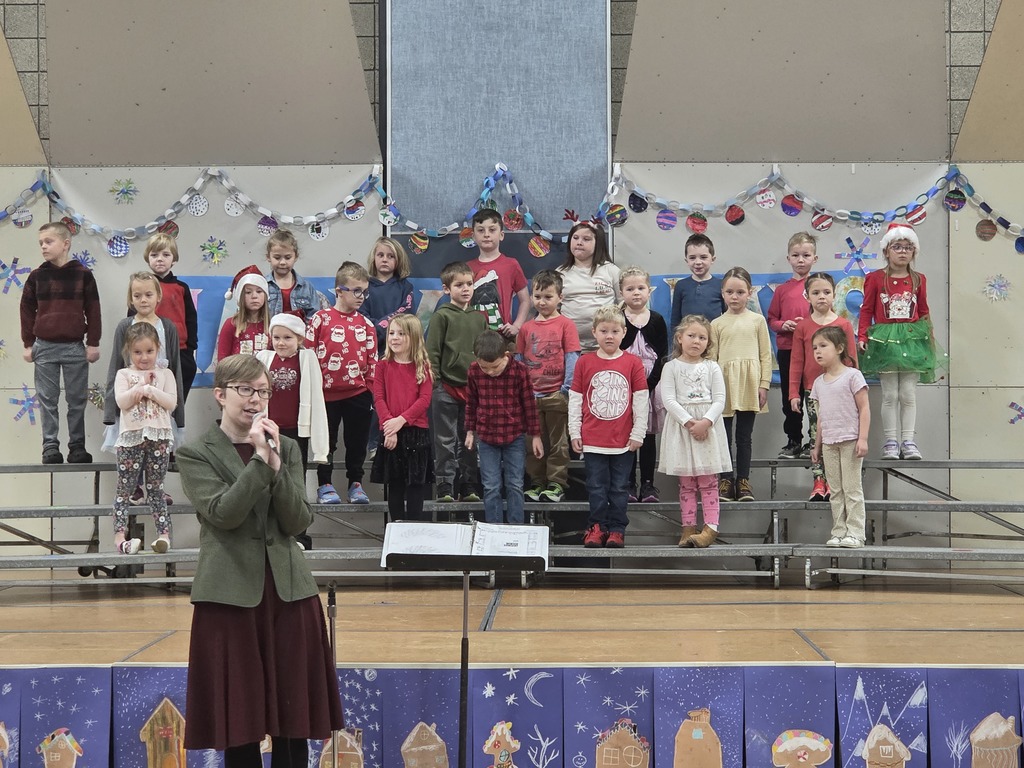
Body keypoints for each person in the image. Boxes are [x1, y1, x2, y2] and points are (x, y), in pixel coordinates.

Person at [177, 354, 343, 767]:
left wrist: (277, 463)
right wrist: (258, 460)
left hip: (289, 593)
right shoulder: (195, 453)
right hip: (229, 595)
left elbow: (297, 520)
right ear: (220, 395)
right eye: (246, 390)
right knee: (240, 722)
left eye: (263, 391)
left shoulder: (287, 447)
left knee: (293, 720)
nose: (256, 399)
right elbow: (223, 514)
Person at [858, 222, 945, 460]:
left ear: (914, 251)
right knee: (889, 395)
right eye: (897, 247)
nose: (903, 252)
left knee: (908, 393)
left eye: (908, 247)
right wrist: (863, 334)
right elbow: (866, 309)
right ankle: (890, 441)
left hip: (912, 339)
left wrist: (929, 338)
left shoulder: (919, 279)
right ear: (886, 251)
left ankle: (908, 441)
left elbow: (924, 310)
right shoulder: (875, 278)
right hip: (885, 341)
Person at [20, 221, 102, 464]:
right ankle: (50, 446)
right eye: (41, 243)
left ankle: (77, 446)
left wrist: (93, 342)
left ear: (65, 244)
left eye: (49, 241)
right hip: (44, 347)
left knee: (76, 400)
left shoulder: (83, 275)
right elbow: (26, 310)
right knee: (47, 400)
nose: (43, 247)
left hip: (74, 347)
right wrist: (28, 343)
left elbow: (93, 310)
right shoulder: (37, 277)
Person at [103, 272, 185, 505]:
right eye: (137, 295)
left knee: (156, 446)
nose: (143, 300)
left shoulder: (167, 327)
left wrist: (179, 413)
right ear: (130, 298)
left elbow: (175, 367)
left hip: (159, 398)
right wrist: (111, 411)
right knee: (134, 443)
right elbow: (115, 365)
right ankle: (135, 487)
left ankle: (156, 489)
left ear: (158, 296)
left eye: (148, 294)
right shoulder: (124, 326)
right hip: (132, 399)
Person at [569, 306, 648, 548]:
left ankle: (616, 530)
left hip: (623, 442)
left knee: (619, 488)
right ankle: (596, 527)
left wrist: (638, 433)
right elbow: (575, 399)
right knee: (596, 487)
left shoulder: (633, 363)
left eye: (615, 331)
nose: (609, 336)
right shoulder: (584, 362)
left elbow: (641, 400)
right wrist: (574, 431)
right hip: (593, 441)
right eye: (604, 331)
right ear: (594, 332)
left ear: (624, 332)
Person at [305, 261, 377, 505]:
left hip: (358, 394)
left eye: (364, 291)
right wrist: (313, 390)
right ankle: (324, 484)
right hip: (325, 395)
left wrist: (369, 390)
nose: (361, 296)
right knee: (326, 442)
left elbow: (373, 361)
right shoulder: (320, 319)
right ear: (339, 291)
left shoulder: (366, 325)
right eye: (356, 290)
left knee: (357, 443)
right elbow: (308, 355)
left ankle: (356, 484)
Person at [256, 313, 329, 550]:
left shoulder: (307, 359)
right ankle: (270, 534)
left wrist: (320, 443)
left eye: (287, 337)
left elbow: (316, 398)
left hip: (296, 433)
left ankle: (298, 535)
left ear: (299, 339)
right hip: (269, 431)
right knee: (268, 482)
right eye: (276, 337)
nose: (281, 342)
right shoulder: (263, 358)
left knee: (295, 484)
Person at [659, 316, 732, 548]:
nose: (696, 341)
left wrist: (705, 422)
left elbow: (720, 399)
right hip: (683, 429)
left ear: (708, 342)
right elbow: (668, 399)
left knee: (709, 481)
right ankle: (688, 528)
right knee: (687, 483)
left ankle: (711, 528)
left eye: (702, 337)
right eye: (691, 336)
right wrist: (690, 423)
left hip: (708, 429)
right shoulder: (670, 367)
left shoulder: (712, 367)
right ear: (680, 338)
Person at [789, 273, 858, 501]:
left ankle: (835, 480)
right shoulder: (803, 327)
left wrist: (854, 390)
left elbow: (851, 359)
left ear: (834, 295)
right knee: (815, 434)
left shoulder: (843, 325)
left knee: (837, 436)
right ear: (807, 296)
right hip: (812, 391)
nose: (822, 297)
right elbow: (796, 361)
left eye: (827, 292)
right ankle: (819, 479)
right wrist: (793, 392)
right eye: (816, 292)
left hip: (840, 392)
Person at [111, 323, 178, 555]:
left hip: (159, 437)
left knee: (156, 487)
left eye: (149, 351)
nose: (144, 357)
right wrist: (141, 385)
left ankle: (163, 535)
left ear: (158, 348)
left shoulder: (166, 374)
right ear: (129, 351)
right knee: (125, 488)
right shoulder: (123, 374)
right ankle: (120, 537)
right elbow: (122, 401)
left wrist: (151, 390)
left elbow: (171, 403)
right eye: (137, 352)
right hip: (131, 438)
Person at [465, 330, 543, 524]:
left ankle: (516, 527)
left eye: (495, 367)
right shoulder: (474, 371)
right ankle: (494, 527)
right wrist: (470, 431)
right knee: (491, 486)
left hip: (514, 435)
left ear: (506, 355)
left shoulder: (520, 371)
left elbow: (529, 404)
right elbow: (471, 402)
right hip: (487, 437)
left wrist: (535, 435)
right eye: (485, 367)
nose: (490, 372)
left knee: (515, 484)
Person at [517, 269, 581, 503]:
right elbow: (519, 361)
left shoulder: (566, 325)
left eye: (548, 297)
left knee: (558, 443)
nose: (542, 302)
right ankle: (536, 482)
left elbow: (572, 357)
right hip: (531, 398)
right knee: (533, 442)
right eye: (537, 296)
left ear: (560, 297)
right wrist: (522, 391)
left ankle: (556, 482)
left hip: (556, 395)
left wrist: (565, 389)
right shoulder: (526, 328)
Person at [426, 261, 487, 502]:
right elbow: (432, 351)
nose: (465, 289)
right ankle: (445, 485)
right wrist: (436, 383)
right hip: (445, 388)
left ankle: (469, 484)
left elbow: (484, 353)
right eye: (459, 285)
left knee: (469, 439)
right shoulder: (442, 316)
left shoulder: (479, 319)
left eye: (469, 284)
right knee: (445, 440)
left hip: (472, 390)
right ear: (446, 289)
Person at [711, 267, 772, 502]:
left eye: (740, 292)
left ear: (749, 292)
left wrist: (764, 384)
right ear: (723, 294)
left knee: (744, 437)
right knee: (723, 436)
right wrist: (713, 389)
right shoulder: (716, 324)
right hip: (724, 385)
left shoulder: (757, 321)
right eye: (729, 292)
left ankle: (743, 481)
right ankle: (726, 480)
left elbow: (765, 356)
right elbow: (712, 360)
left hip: (749, 384)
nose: (735, 297)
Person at [809, 326, 870, 548]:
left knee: (852, 488)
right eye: (814, 347)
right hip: (829, 443)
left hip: (850, 440)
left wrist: (863, 438)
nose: (817, 351)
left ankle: (856, 533)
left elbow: (864, 408)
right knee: (835, 490)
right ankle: (839, 531)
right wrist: (817, 446)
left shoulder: (853, 376)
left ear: (839, 348)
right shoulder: (818, 383)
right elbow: (821, 418)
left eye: (823, 346)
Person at [370, 314, 434, 522]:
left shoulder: (423, 366)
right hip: (390, 431)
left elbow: (424, 400)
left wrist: (401, 421)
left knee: (416, 485)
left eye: (401, 333)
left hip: (416, 432)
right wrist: (390, 427)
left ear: (413, 337)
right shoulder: (382, 366)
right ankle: (396, 527)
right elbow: (379, 398)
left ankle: (413, 527)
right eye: (391, 333)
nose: (394, 338)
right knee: (395, 484)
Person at [361, 236, 417, 459]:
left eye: (390, 256)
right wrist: (378, 328)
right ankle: (374, 443)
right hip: (372, 353)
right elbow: (361, 316)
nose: (385, 260)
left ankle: (398, 439)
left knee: (398, 398)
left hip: (398, 352)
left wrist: (383, 327)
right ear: (373, 258)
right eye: (380, 255)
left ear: (398, 260)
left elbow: (406, 312)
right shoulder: (364, 286)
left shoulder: (405, 287)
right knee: (376, 399)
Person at [768, 232, 819, 459]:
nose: (801, 260)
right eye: (796, 255)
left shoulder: (819, 287)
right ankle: (794, 441)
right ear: (788, 258)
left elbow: (827, 316)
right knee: (791, 396)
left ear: (815, 258)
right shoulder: (782, 290)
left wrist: (808, 325)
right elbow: (772, 319)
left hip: (814, 352)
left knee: (815, 396)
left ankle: (815, 440)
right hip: (788, 351)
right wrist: (784, 325)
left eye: (806, 255)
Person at [619, 266, 668, 503]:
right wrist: (629, 386)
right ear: (621, 292)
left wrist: (649, 384)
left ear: (649, 291)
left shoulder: (656, 320)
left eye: (640, 288)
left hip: (650, 384)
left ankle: (648, 484)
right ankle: (628, 483)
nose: (636, 293)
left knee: (647, 435)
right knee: (628, 434)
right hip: (625, 384)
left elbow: (662, 356)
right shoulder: (617, 319)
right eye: (630, 289)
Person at [140, 232, 198, 401]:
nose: (160, 259)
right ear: (148, 258)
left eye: (165, 255)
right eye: (154, 255)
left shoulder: (181, 287)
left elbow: (191, 319)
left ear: (174, 259)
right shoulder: (142, 286)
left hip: (180, 351)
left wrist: (190, 348)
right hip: (150, 351)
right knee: (152, 398)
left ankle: (176, 418)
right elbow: (133, 318)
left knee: (176, 399)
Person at [557, 220, 621, 350]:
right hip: (570, 346)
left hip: (606, 345)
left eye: (586, 239)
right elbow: (553, 309)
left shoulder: (611, 270)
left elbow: (624, 303)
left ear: (598, 243)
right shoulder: (560, 273)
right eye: (575, 238)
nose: (579, 242)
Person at [467, 208, 530, 340]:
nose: (486, 234)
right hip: (472, 335)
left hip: (501, 336)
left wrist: (517, 326)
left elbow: (525, 300)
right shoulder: (466, 268)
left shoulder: (511, 265)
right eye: (480, 230)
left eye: (492, 230)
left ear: (501, 235)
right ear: (473, 236)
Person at [264, 229, 331, 323]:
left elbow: (313, 318)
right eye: (277, 257)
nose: (282, 262)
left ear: (296, 257)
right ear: (268, 257)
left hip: (300, 332)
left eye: (288, 257)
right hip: (270, 332)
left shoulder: (306, 287)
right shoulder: (262, 285)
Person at [669, 233, 725, 329]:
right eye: (692, 258)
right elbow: (675, 320)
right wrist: (676, 337)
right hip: (688, 336)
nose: (698, 262)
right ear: (687, 261)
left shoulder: (721, 285)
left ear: (712, 259)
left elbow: (727, 316)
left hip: (713, 336)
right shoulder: (681, 285)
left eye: (703, 257)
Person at [217, 266, 271, 359]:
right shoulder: (231, 324)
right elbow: (222, 360)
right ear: (240, 297)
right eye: (248, 292)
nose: (254, 296)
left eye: (259, 291)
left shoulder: (272, 326)